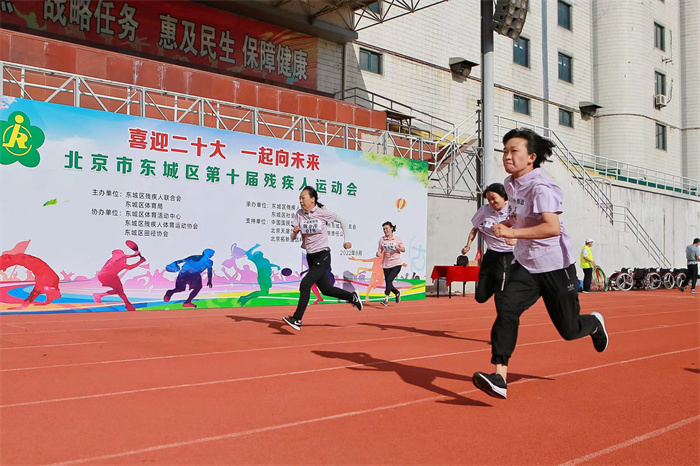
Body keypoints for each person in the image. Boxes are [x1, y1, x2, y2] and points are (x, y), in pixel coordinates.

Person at [472, 128, 609, 399]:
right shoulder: (510, 184)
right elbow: (518, 216)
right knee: (506, 308)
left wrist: (511, 233)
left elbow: (551, 228)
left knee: (569, 330)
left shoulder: (542, 187)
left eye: (514, 151)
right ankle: (499, 376)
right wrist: (507, 223)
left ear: (531, 157)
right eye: (505, 151)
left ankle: (594, 323)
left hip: (555, 266)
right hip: (525, 264)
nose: (507, 156)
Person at [282, 186, 362, 331]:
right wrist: (294, 233)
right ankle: (352, 297)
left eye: (303, 198)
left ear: (312, 199)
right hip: (311, 256)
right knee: (326, 290)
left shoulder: (322, 213)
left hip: (323, 255)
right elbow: (293, 237)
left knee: (305, 285)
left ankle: (297, 319)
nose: (300, 201)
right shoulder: (299, 214)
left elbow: (342, 221)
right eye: (300, 198)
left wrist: (346, 240)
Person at [462, 183, 514, 303]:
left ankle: (505, 291)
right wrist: (468, 245)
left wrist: (513, 240)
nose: (491, 202)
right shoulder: (485, 210)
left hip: (507, 254)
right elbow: (475, 228)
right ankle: (498, 285)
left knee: (502, 288)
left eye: (494, 199)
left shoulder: (512, 210)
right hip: (490, 254)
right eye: (489, 199)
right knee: (480, 297)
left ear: (503, 196)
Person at [377, 221, 406, 306]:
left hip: (396, 264)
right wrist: (378, 254)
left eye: (386, 228)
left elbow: (403, 249)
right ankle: (396, 292)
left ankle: (386, 299)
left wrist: (398, 248)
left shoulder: (397, 239)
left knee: (389, 280)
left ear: (391, 228)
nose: (385, 230)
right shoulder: (382, 240)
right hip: (386, 264)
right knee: (388, 282)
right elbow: (379, 251)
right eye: (384, 229)